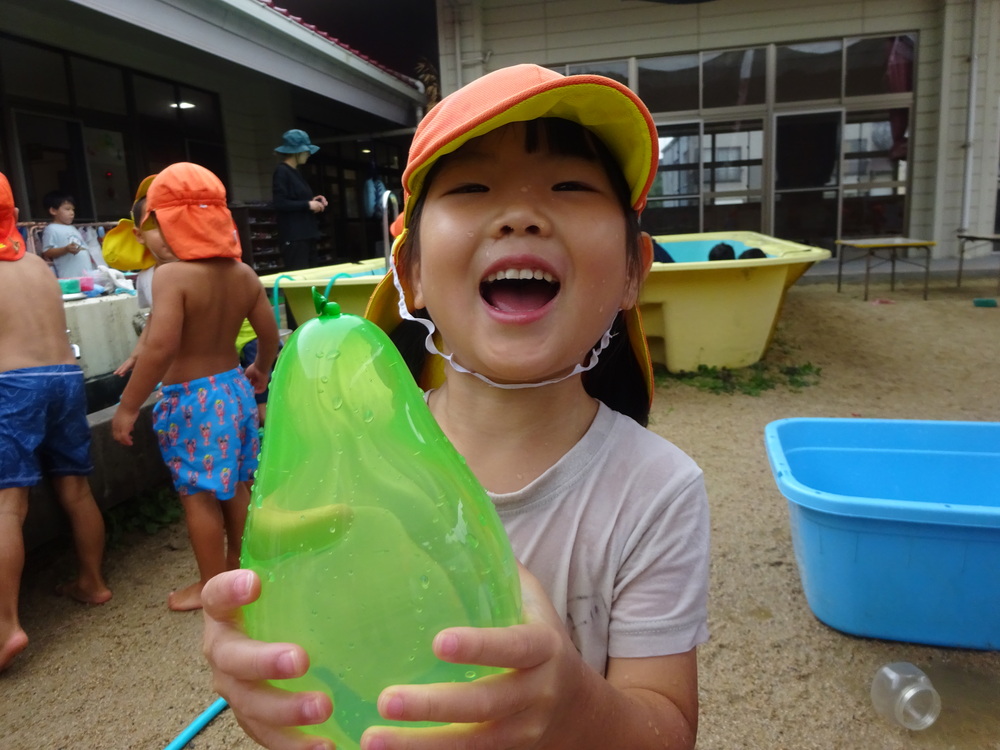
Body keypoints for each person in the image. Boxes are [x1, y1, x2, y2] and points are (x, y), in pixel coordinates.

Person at [202, 64, 710, 750]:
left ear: (631, 271)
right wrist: (268, 688)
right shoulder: (352, 463)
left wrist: (571, 707)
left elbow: (667, 730)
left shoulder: (656, 489)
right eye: (472, 188)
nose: (523, 213)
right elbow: (329, 674)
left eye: (570, 186)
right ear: (409, 271)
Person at [111, 162, 279, 612]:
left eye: (150, 225)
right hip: (235, 392)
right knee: (239, 485)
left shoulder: (172, 276)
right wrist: (260, 369)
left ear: (168, 228)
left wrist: (128, 406)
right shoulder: (241, 273)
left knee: (199, 495)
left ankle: (212, 589)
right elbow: (269, 335)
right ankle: (243, 573)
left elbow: (161, 345)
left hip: (193, 402)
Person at [0, 172, 111, 672]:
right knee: (76, 489)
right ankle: (93, 581)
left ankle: (6, 627)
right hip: (65, 376)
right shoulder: (32, 265)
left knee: (7, 507)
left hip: (13, 384)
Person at [272, 129, 328, 273]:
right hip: (294, 235)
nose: (308, 154)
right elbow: (280, 203)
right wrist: (308, 204)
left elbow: (296, 200)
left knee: (312, 277)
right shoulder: (282, 171)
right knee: (299, 277)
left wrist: (314, 201)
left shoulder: (296, 172)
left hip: (306, 233)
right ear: (296, 152)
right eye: (305, 151)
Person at [41, 191, 98, 279]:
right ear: (53, 211)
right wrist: (65, 249)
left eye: (73, 209)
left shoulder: (72, 228)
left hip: (86, 274)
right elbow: (47, 252)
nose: (72, 213)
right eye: (67, 209)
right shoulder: (51, 228)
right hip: (70, 276)